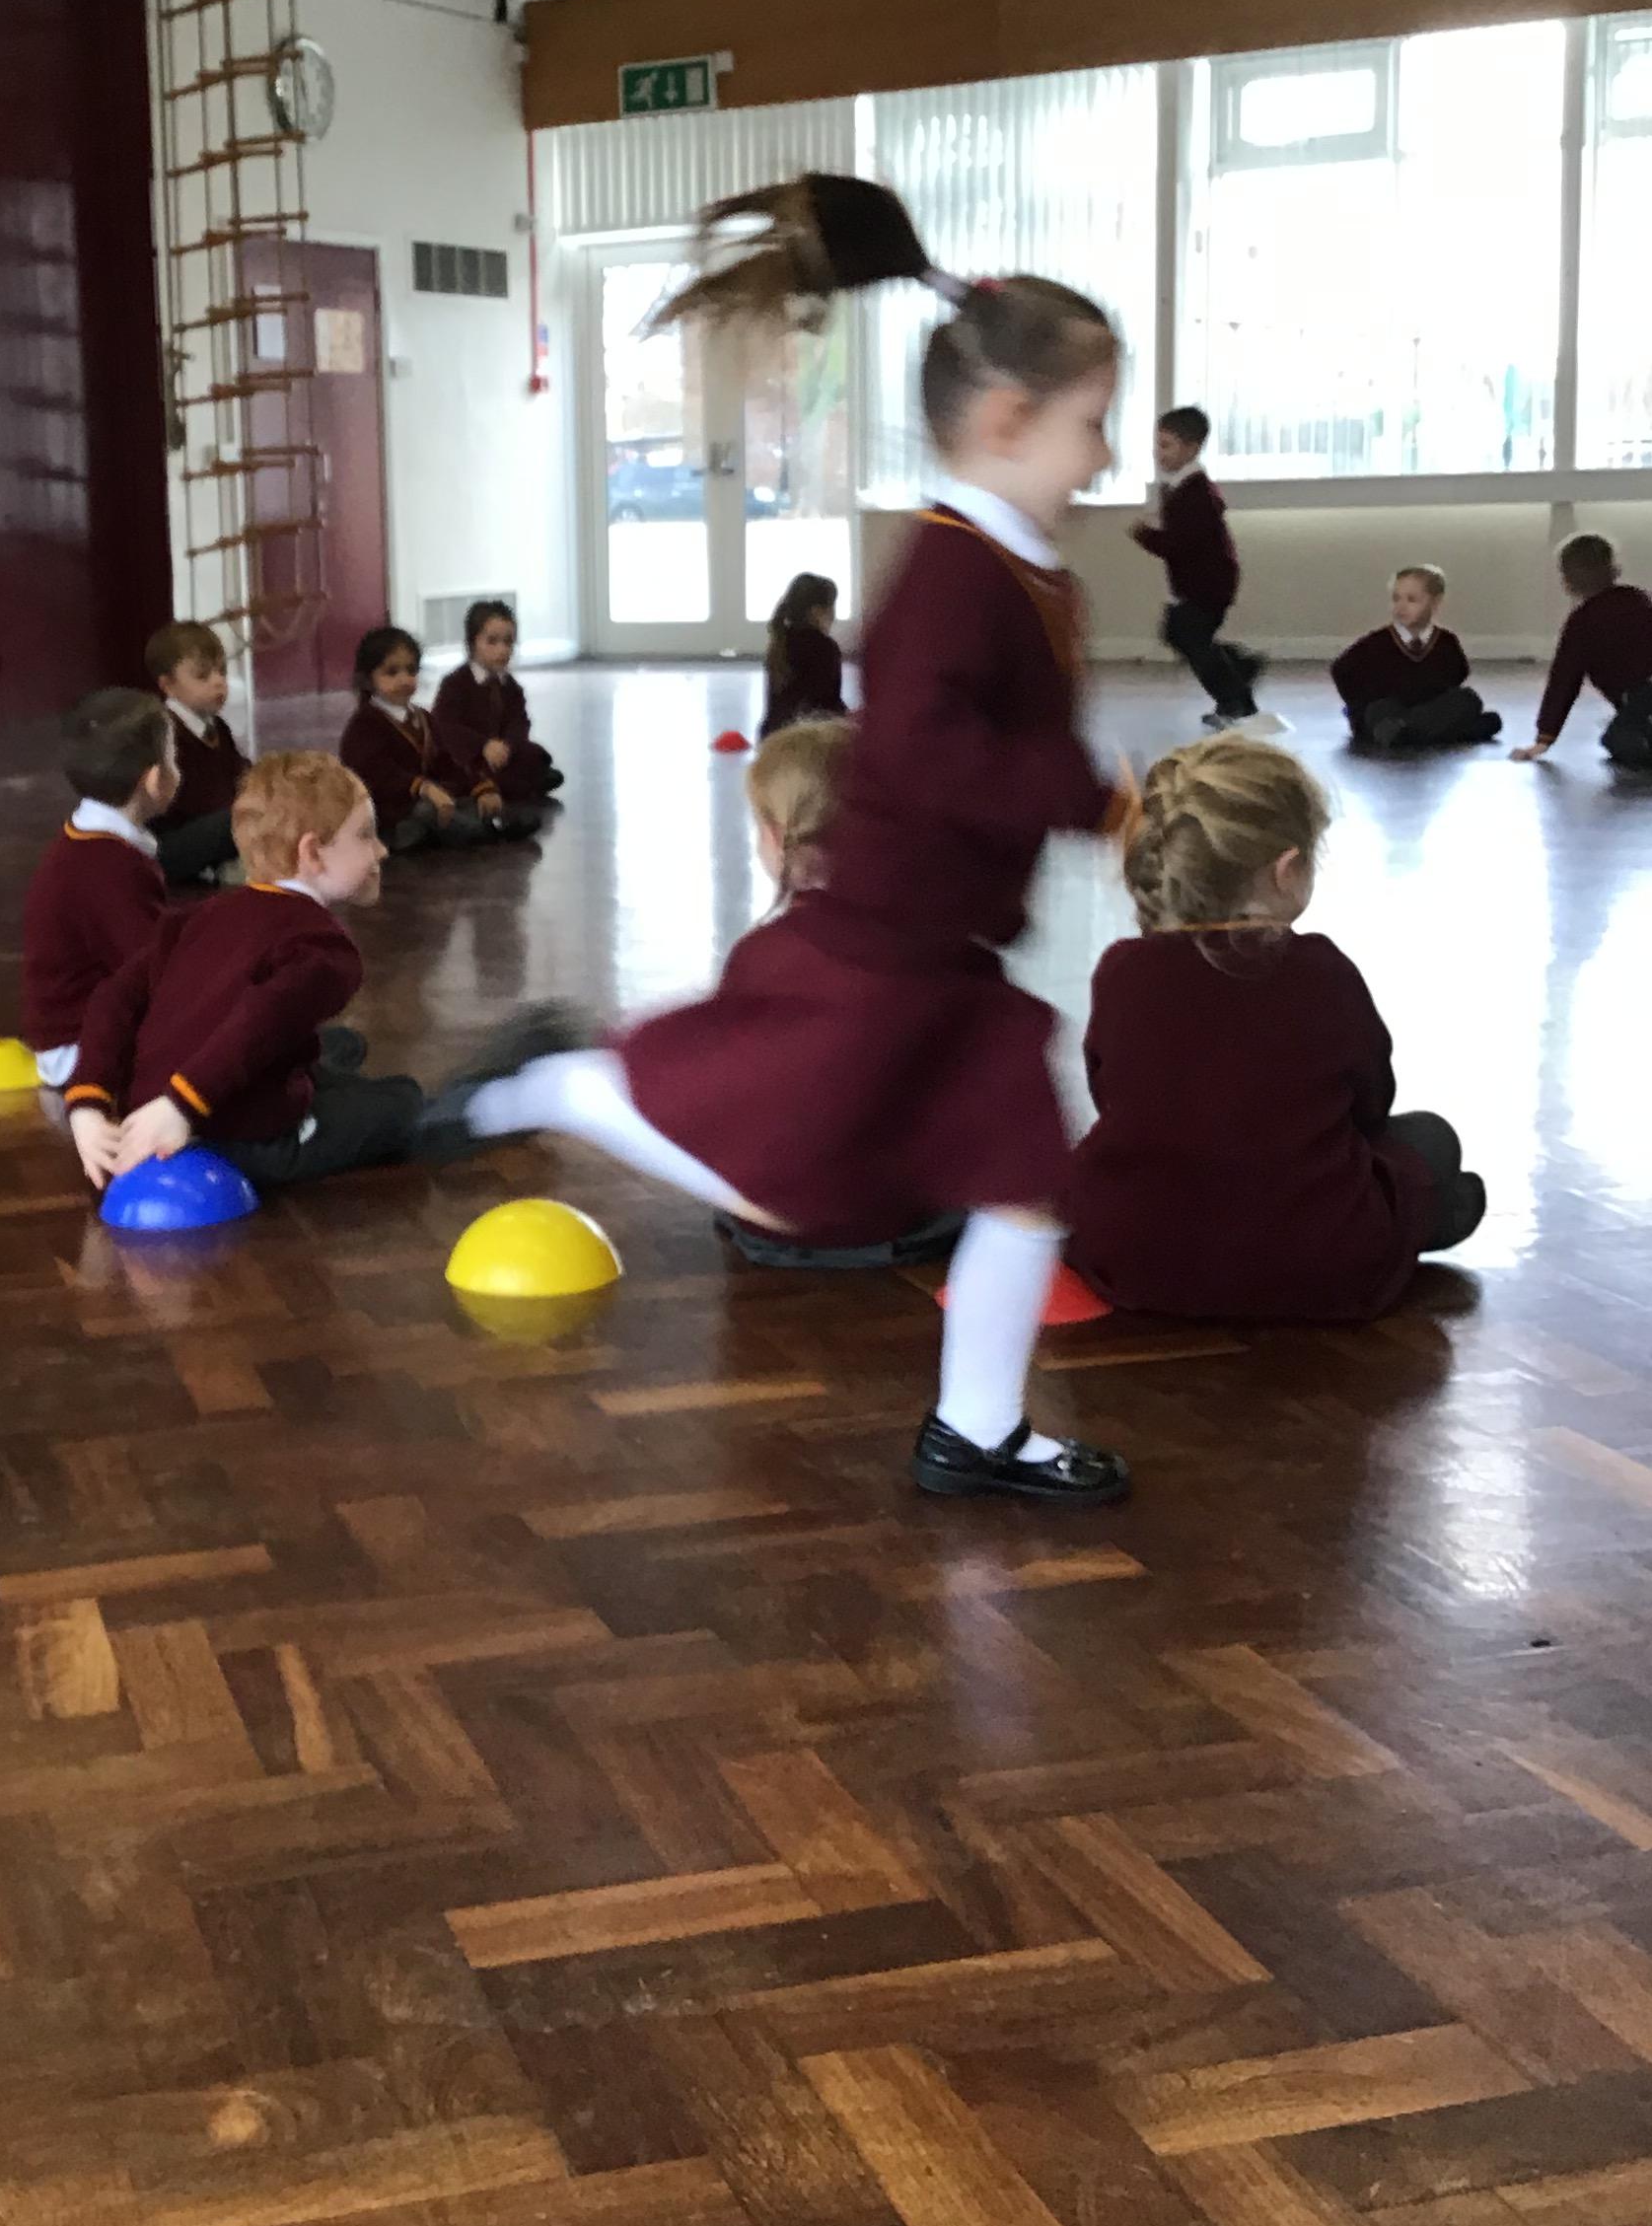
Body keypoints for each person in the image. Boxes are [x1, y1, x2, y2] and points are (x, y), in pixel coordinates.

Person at [429, 174, 1131, 1503]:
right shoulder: (950, 571)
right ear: (1006, 420)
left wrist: (1081, 789)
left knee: (1025, 1177)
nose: (1101, 458)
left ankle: (977, 1429)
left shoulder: (1013, 565)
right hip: (879, 957)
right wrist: (1082, 794)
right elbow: (916, 748)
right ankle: (556, 1086)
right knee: (787, 1190)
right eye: (1090, 425)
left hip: (950, 960)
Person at [417, 717, 960, 1275]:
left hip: (801, 1220)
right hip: (910, 1215)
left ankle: (506, 1100)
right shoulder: (938, 940)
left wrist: (632, 1050)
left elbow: (730, 1085)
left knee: (581, 1083)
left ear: (777, 839)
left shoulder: (773, 954)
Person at [1067, 734, 1483, 1320]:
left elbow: (1110, 1093)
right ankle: (1426, 1218)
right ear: (1287, 871)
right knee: (1432, 1141)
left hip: (1139, 1260)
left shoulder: (1122, 970)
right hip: (1316, 1258)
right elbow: (1370, 1100)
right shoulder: (1323, 970)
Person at [67, 749, 423, 1191]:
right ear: (312, 851)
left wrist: (88, 1103)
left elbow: (113, 997)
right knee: (404, 1099)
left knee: (341, 1045)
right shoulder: (325, 951)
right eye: (366, 835)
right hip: (241, 1137)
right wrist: (180, 1107)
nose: (381, 850)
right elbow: (258, 1023)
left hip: (147, 1104)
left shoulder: (199, 914)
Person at [21, 688, 174, 1085]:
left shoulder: (90, 842)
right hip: (83, 1048)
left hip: (82, 1035)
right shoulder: (109, 865)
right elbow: (156, 971)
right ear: (155, 779)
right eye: (174, 758)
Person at [338, 625, 542, 850]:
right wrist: (423, 787)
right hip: (390, 812)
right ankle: (488, 831)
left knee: (464, 800)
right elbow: (379, 775)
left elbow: (447, 763)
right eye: (392, 672)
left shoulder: (423, 718)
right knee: (428, 811)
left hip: (429, 799)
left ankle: (488, 820)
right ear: (368, 678)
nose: (404, 679)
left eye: (411, 670)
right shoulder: (364, 725)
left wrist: (482, 787)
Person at [1136, 405, 1274, 734]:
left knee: (1191, 638)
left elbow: (1179, 543)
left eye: (1166, 445)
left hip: (1208, 583)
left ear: (1191, 448)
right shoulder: (1182, 487)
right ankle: (1241, 666)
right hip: (1198, 581)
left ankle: (1236, 700)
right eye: (1157, 444)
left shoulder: (1195, 492)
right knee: (1179, 634)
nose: (1158, 453)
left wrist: (1145, 535)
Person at [1511, 534, 1652, 773]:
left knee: (1617, 739)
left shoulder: (1582, 622)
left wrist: (1544, 738)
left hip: (1643, 696)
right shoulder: (1639, 599)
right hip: (1644, 696)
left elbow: (1564, 681)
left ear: (1569, 578)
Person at [1329, 565, 1501, 750]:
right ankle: (1456, 731)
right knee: (1379, 710)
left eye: (1412, 600)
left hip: (1428, 709)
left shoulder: (1446, 641)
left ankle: (1407, 731)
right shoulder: (1377, 642)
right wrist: (1360, 705)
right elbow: (1341, 670)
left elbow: (1459, 673)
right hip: (1390, 709)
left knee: (1467, 699)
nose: (1401, 606)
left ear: (1435, 602)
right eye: (1396, 598)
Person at [429, 599, 563, 804]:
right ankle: (488, 786)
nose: (502, 650)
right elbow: (446, 726)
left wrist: (507, 746)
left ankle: (500, 784)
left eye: (508, 642)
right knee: (456, 769)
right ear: (472, 643)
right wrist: (483, 746)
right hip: (470, 755)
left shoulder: (511, 687)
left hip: (501, 756)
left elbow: (519, 722)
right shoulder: (455, 683)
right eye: (492, 642)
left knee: (535, 755)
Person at [145, 618, 247, 883]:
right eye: (203, 676)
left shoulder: (218, 727)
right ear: (167, 685)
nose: (218, 682)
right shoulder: (165, 733)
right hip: (171, 846)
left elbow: (237, 773)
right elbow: (175, 806)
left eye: (222, 672)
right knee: (236, 819)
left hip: (213, 831)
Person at [758, 571, 847, 738]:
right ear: (816, 611)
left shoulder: (779, 642)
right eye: (832, 606)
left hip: (773, 739)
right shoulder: (825, 648)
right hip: (809, 739)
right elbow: (829, 705)